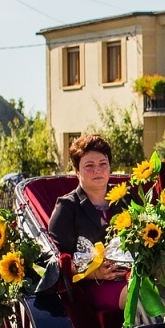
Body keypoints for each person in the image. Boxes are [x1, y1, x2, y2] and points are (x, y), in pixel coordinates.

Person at [48, 133, 127, 311]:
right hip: (93, 286)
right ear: (77, 171)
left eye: (103, 164)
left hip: (133, 275)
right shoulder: (67, 207)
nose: (97, 170)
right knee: (139, 294)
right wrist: (93, 273)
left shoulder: (125, 197)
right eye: (89, 166)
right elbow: (57, 260)